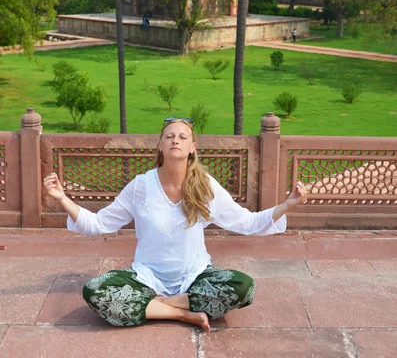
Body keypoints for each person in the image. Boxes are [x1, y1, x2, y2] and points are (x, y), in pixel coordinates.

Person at [43, 117, 307, 332]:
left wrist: (288, 204)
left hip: (195, 275)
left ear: (192, 146)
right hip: (147, 277)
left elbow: (247, 222)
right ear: (160, 145)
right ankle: (183, 315)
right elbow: (99, 223)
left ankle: (159, 306)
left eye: (182, 137)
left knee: (243, 286)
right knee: (95, 291)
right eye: (169, 136)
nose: (175, 141)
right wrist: (62, 198)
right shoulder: (141, 186)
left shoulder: (205, 186)